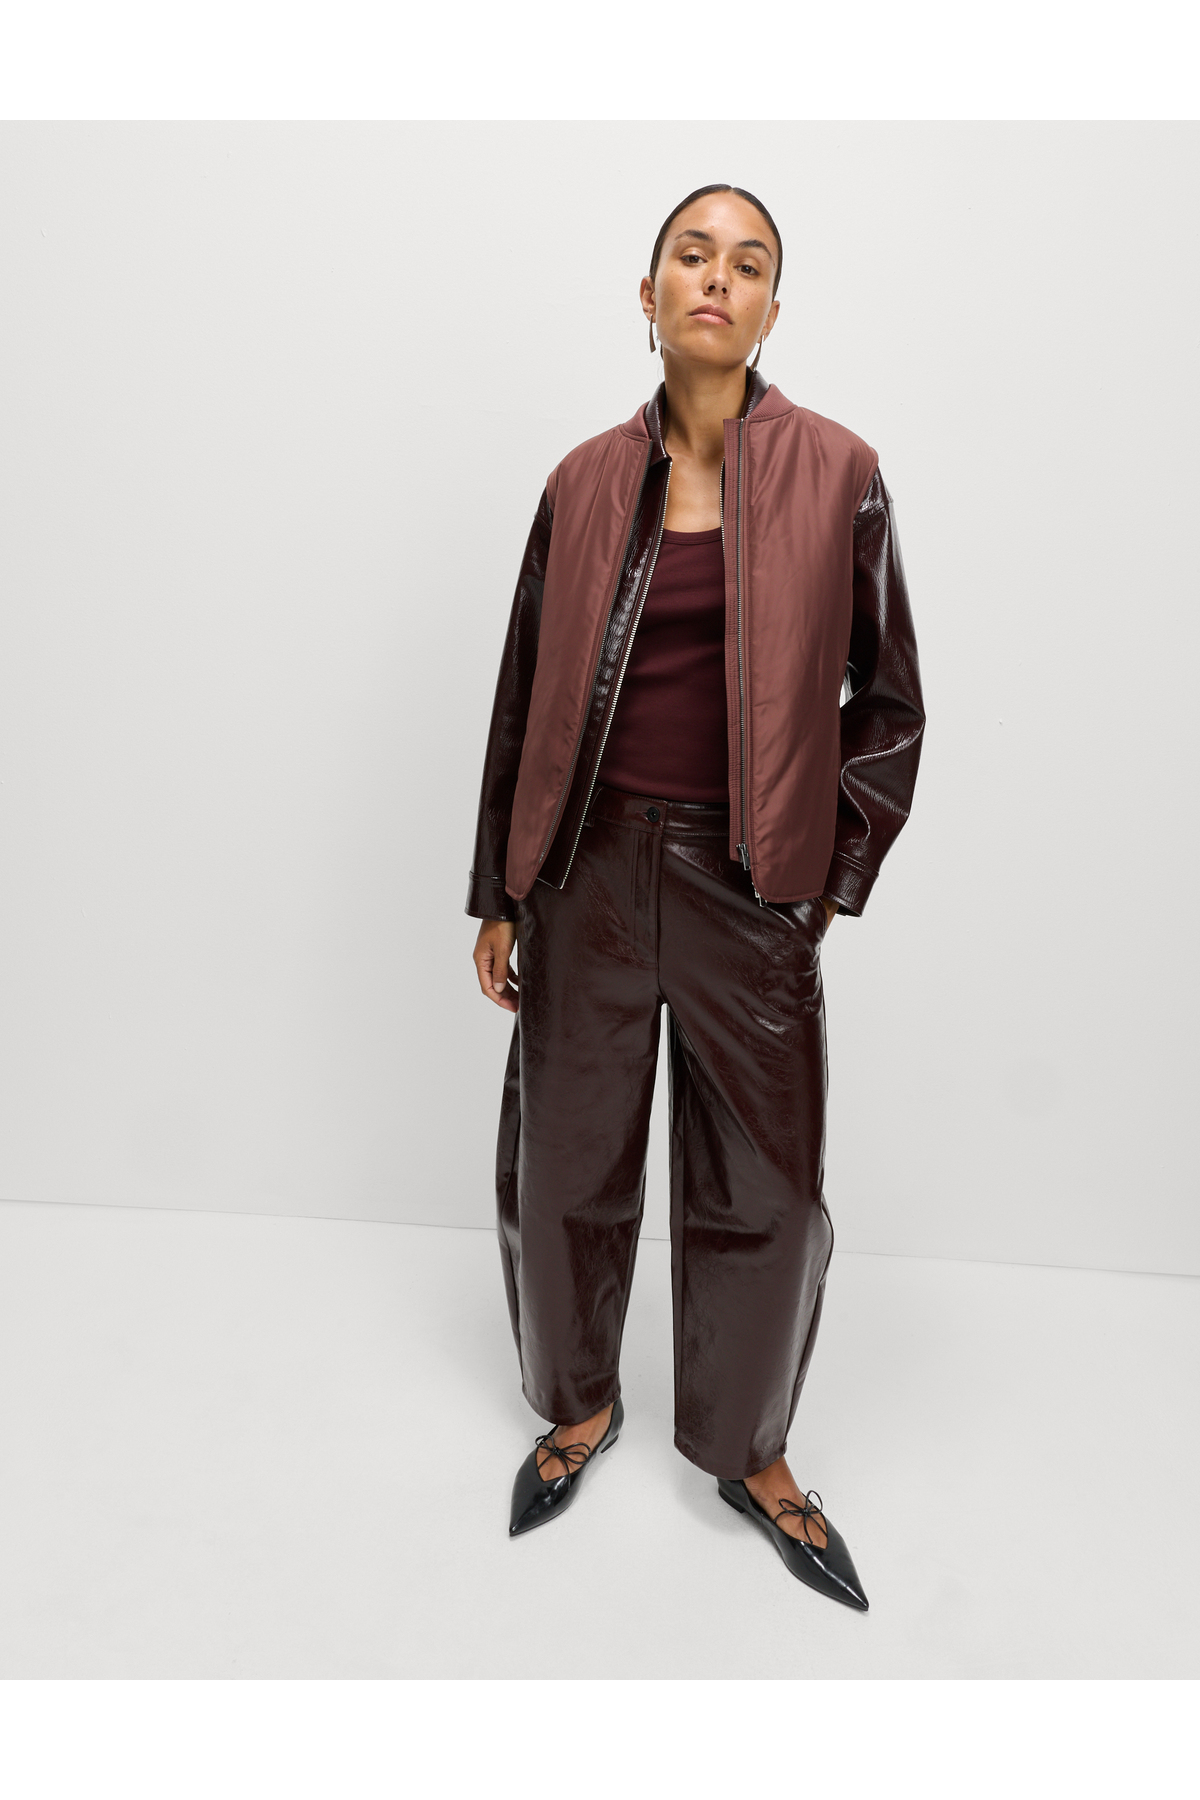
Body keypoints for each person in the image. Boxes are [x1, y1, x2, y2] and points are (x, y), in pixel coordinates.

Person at [465, 183, 924, 1609]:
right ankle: (578, 1404)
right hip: (586, 873)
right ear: (650, 290)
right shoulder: (581, 483)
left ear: (774, 307)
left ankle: (749, 1449)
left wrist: (824, 884)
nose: (717, 278)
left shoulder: (841, 472)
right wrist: (499, 890)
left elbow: (890, 705)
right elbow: (522, 695)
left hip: (751, 883)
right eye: (691, 254)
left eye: (749, 263)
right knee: (565, 1170)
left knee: (768, 1196)